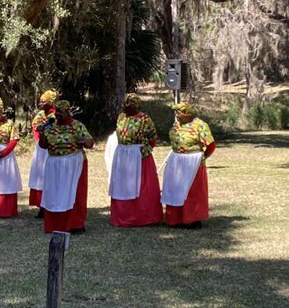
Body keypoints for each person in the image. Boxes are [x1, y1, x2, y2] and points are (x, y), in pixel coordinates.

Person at [106, 93, 163, 227]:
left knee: (140, 185)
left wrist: (142, 151)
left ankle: (142, 217)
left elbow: (153, 138)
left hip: (139, 156)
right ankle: (122, 216)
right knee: (122, 184)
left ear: (133, 106)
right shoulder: (121, 117)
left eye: (125, 104)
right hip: (122, 155)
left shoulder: (145, 119)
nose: (122, 106)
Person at [39, 100, 94, 234]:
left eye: (61, 112)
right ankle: (55, 225)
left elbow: (90, 143)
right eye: (56, 111)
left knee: (72, 193)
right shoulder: (50, 127)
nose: (57, 114)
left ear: (68, 112)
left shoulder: (77, 125)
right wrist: (42, 135)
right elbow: (43, 146)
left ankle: (74, 225)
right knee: (54, 193)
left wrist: (82, 140)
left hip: (72, 164)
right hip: (54, 164)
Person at [161, 101, 216, 229]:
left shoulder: (200, 125)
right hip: (176, 160)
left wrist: (203, 157)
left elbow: (211, 145)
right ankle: (175, 219)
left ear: (187, 113)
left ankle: (194, 219)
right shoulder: (177, 124)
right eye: (176, 112)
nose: (176, 114)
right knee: (175, 189)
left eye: (179, 112)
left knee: (193, 191)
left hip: (193, 162)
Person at [28, 90, 57, 218]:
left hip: (51, 148)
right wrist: (38, 140)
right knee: (40, 176)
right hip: (41, 148)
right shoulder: (40, 115)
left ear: (50, 102)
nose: (40, 103)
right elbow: (34, 127)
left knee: (49, 176)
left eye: (43, 101)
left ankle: (49, 205)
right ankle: (41, 206)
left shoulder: (56, 114)